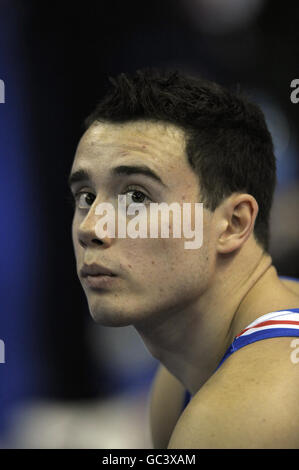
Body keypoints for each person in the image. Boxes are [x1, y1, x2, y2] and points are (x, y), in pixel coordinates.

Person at [68, 68, 299, 449]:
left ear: (233, 224)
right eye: (86, 196)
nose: (91, 227)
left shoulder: (238, 415)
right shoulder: (178, 381)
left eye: (136, 196)